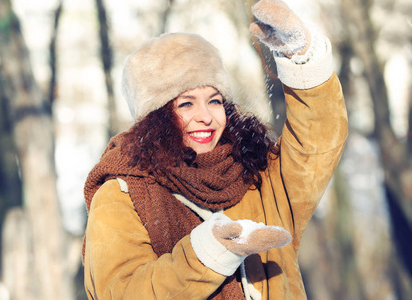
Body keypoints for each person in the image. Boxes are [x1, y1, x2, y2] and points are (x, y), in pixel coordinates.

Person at [82, 0, 348, 299]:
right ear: (156, 117)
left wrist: (301, 57)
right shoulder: (120, 194)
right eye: (186, 103)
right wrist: (208, 253)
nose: (206, 116)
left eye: (215, 100)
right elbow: (122, 292)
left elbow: (315, 145)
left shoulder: (256, 178)